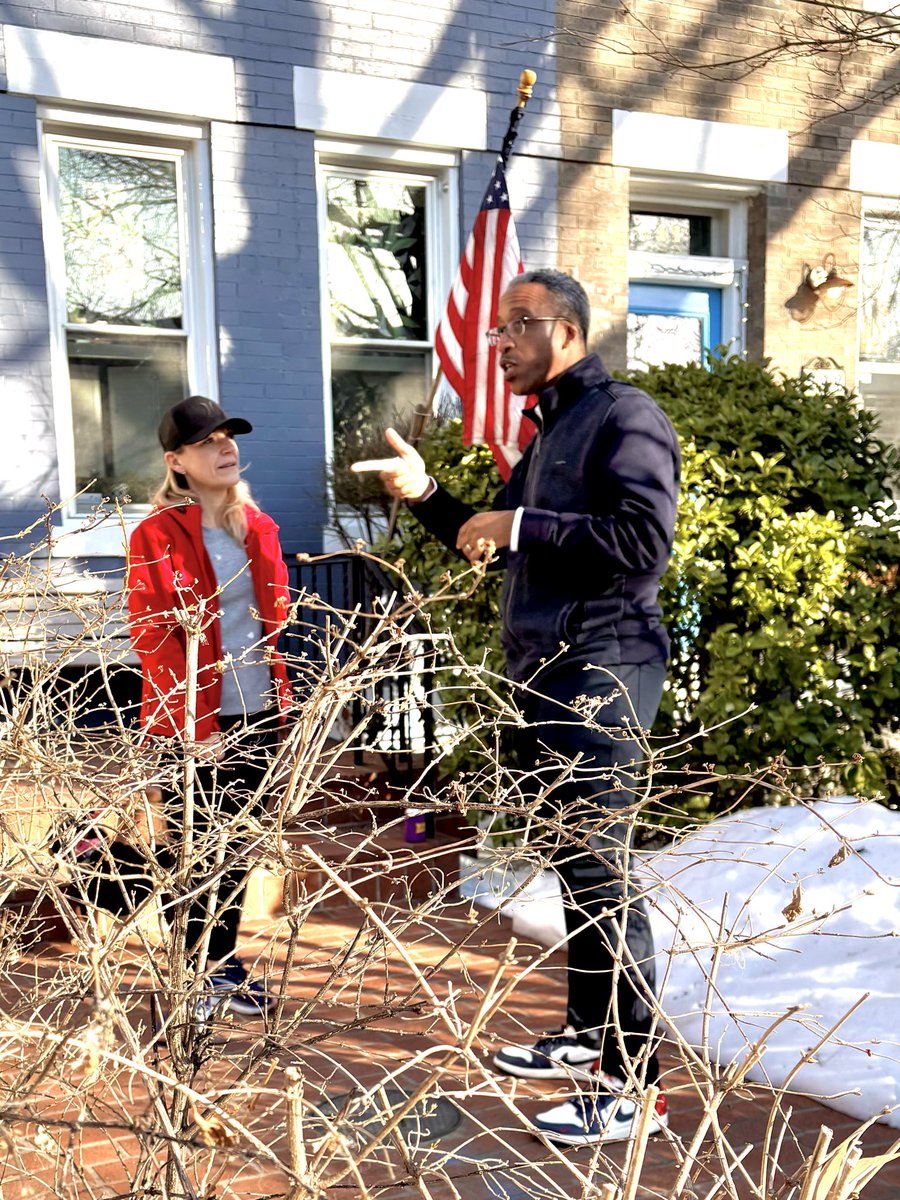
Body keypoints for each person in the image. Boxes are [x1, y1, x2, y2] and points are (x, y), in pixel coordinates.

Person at [352, 269, 680, 1144]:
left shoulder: (625, 415)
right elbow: (488, 542)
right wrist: (429, 497)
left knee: (603, 876)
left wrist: (522, 524)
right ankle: (585, 1032)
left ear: (567, 333)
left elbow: (643, 542)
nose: (497, 343)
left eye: (517, 325)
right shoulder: (556, 429)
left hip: (605, 665)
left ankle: (633, 1082)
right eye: (497, 328)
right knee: (575, 865)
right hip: (548, 669)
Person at [125, 394, 293, 1018]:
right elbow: (153, 635)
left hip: (258, 714)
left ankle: (221, 964)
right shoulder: (156, 534)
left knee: (239, 846)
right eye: (207, 441)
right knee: (196, 851)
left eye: (228, 436)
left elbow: (274, 630)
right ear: (176, 460)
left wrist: (284, 709)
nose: (225, 448)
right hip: (192, 719)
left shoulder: (260, 527)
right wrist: (196, 724)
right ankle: (196, 971)